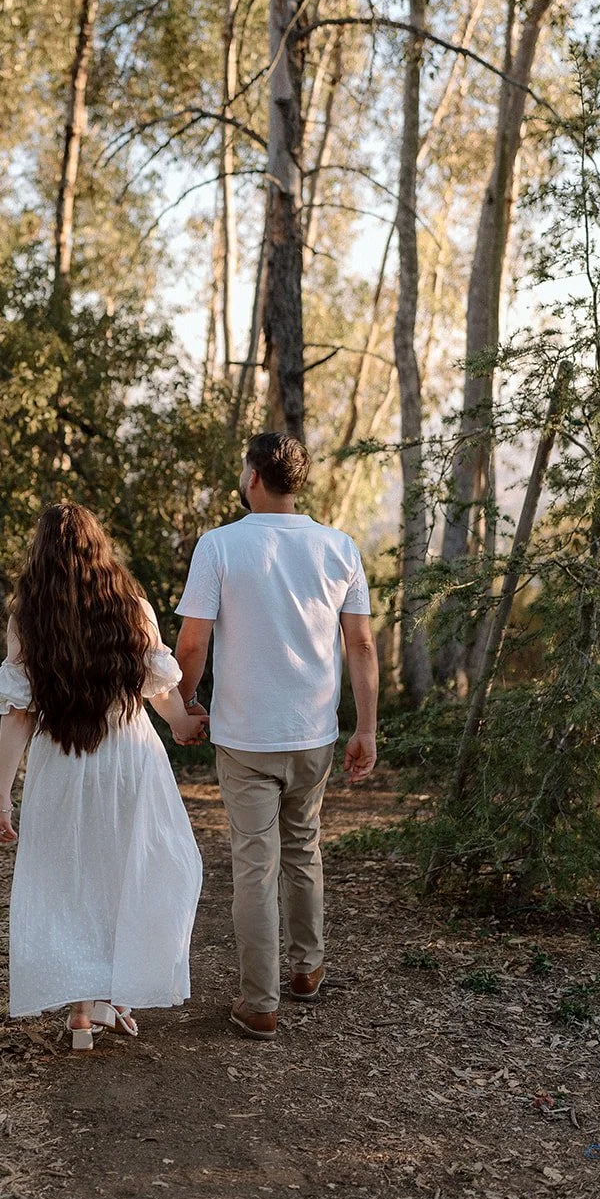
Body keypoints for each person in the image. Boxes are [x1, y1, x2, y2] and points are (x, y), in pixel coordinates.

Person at [174, 433, 378, 1040]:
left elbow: (191, 641)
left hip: (245, 737)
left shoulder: (220, 546)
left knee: (255, 865)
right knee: (304, 849)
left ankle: (260, 1002)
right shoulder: (339, 548)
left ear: (255, 477)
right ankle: (308, 969)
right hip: (313, 732)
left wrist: (184, 703)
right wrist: (365, 727)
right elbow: (361, 644)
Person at [0, 502, 205, 1051]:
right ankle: (111, 997)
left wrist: (1, 798)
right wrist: (184, 724)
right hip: (129, 760)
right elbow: (158, 688)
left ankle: (84, 1012)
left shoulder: (27, 619)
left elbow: (18, 714)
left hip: (61, 765)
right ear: (99, 548)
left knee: (73, 880)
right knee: (133, 873)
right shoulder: (131, 607)